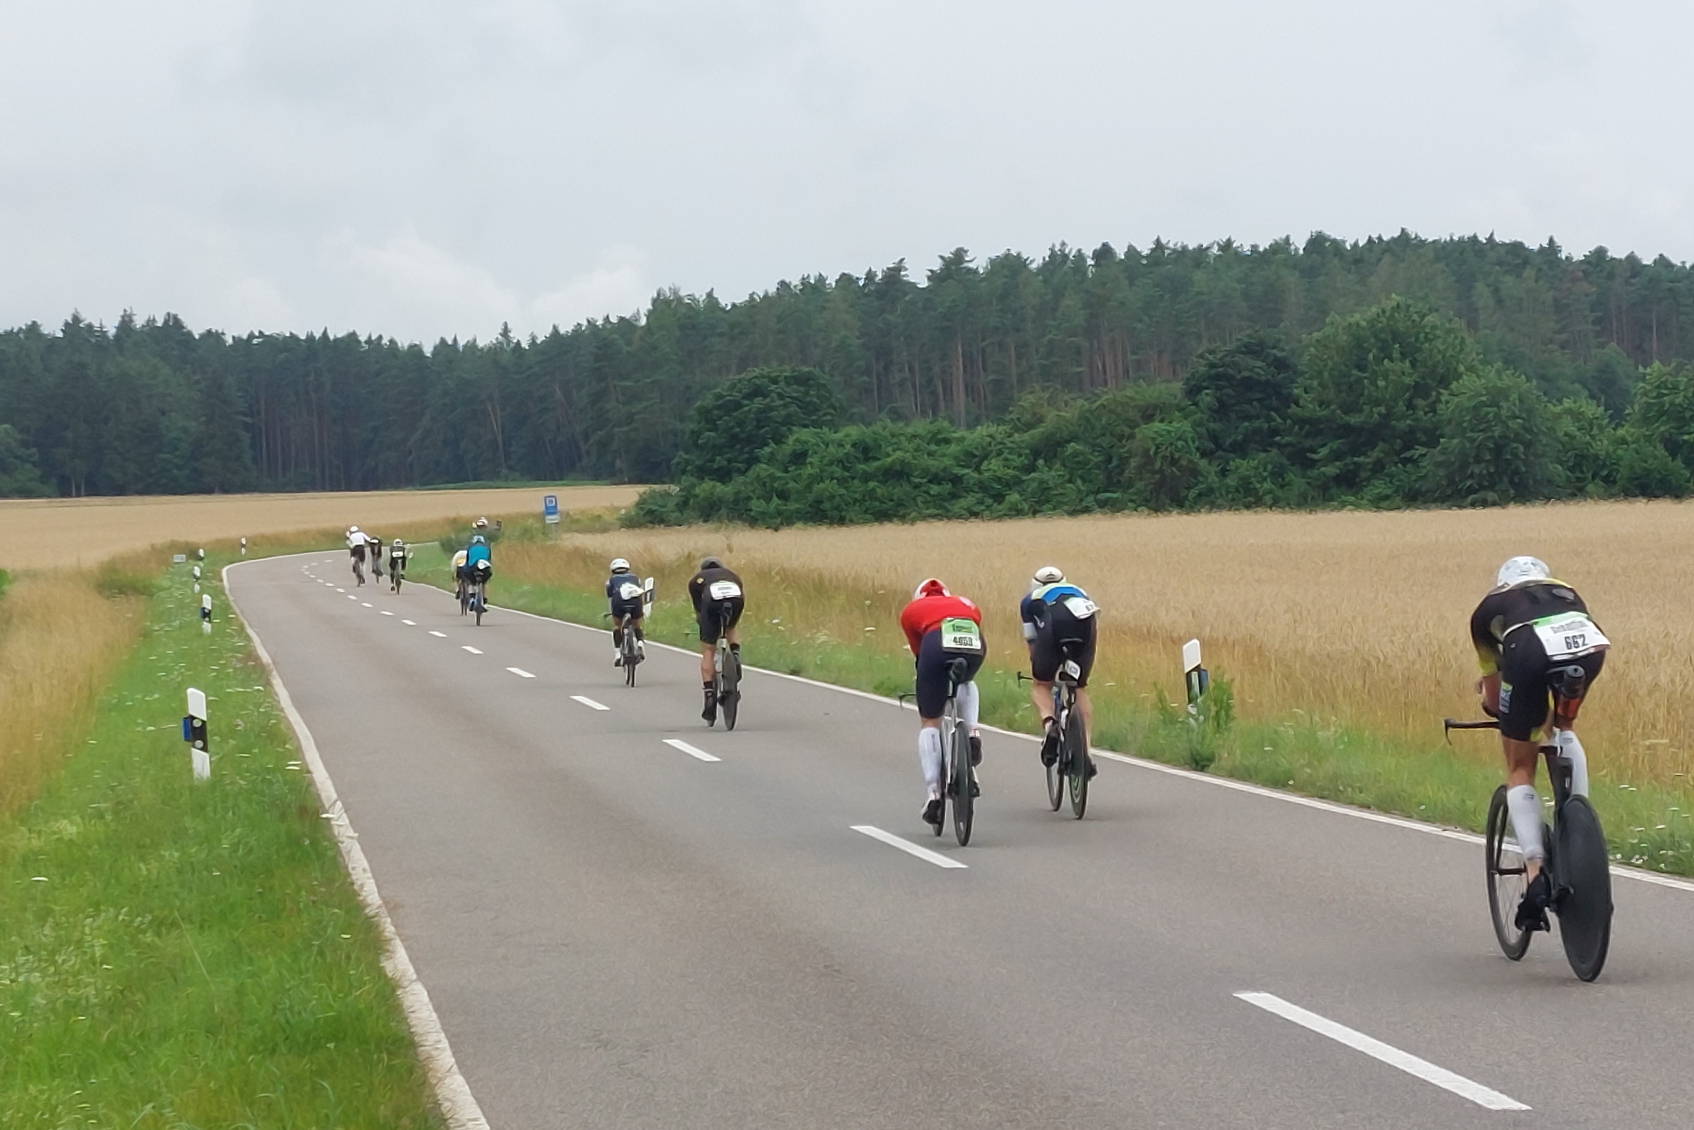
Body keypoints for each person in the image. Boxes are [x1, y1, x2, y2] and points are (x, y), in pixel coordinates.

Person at [1470, 555, 1610, 932]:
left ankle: (1535, 873)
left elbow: (1496, 693)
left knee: (1520, 768)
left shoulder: (1487, 610)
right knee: (1564, 723)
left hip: (1528, 651)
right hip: (1589, 647)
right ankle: (1578, 825)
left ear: (1503, 583)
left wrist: (1497, 706)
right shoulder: (1565, 590)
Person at [899, 578, 986, 829]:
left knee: (930, 721)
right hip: (973, 641)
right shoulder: (965, 602)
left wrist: (928, 686)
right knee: (967, 679)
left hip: (935, 643)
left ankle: (934, 794)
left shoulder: (911, 611)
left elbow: (920, 654)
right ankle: (972, 732)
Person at [1021, 565, 1099, 779]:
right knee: (1080, 687)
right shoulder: (1079, 591)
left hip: (1052, 624)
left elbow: (1032, 641)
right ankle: (1087, 752)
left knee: (1041, 685)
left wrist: (1040, 669)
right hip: (1084, 623)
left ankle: (1050, 725)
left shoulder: (1030, 600)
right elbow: (1093, 624)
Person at [687, 556, 744, 723]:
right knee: (731, 627)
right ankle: (735, 655)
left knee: (708, 650)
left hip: (711, 601)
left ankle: (710, 696)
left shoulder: (695, 581)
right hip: (735, 598)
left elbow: (699, 610)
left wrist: (706, 629)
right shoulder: (732, 575)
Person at [606, 557, 647, 666]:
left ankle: (618, 654)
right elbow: (640, 593)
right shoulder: (635, 578)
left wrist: (611, 612)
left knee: (617, 626)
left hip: (618, 602)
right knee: (637, 625)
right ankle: (640, 643)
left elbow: (610, 597)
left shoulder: (610, 580)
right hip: (635, 602)